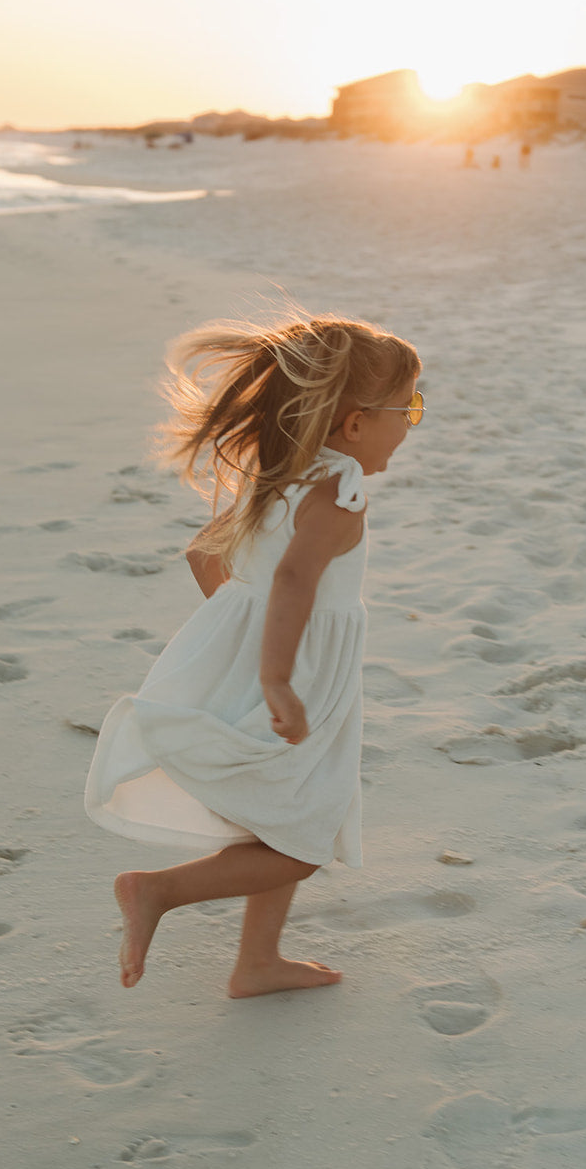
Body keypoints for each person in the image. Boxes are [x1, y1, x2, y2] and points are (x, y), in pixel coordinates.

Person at [84, 314, 424, 997]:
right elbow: (296, 579)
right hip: (298, 677)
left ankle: (257, 961)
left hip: (271, 661)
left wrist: (238, 628)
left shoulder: (286, 476)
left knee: (280, 811)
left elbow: (205, 551)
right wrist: (276, 676)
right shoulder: (340, 496)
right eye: (408, 407)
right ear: (355, 425)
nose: (413, 422)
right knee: (300, 843)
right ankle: (157, 892)